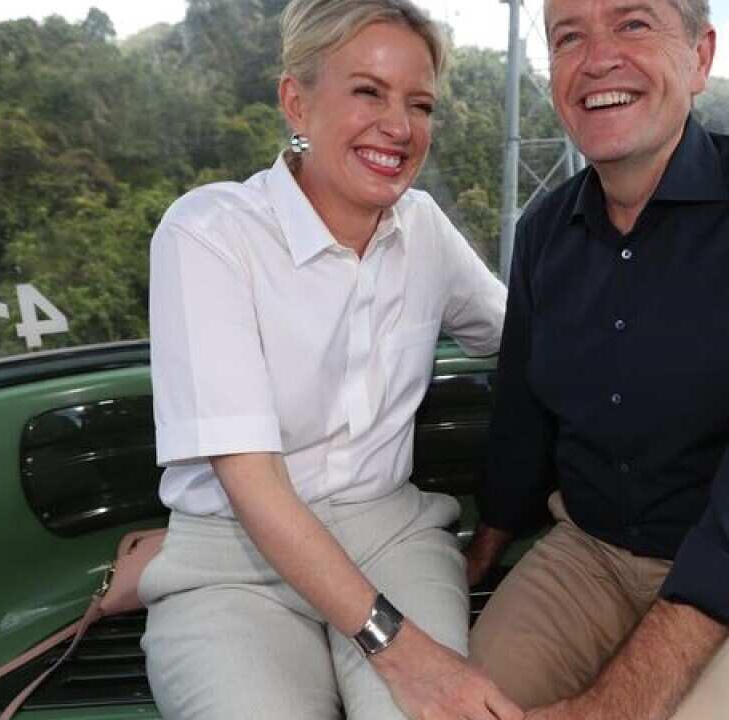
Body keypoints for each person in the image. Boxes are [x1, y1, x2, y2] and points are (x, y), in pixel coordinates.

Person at [464, 1, 729, 718]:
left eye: (633, 23)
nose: (597, 58)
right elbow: (522, 419)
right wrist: (483, 544)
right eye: (568, 37)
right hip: (594, 550)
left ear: (700, 57)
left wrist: (619, 704)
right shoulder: (544, 233)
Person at [140, 2, 520, 719]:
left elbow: (525, 338)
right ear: (296, 100)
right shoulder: (210, 234)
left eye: (420, 104)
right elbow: (251, 483)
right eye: (367, 92)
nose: (400, 128)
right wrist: (404, 654)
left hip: (392, 540)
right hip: (236, 560)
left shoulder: (426, 230)